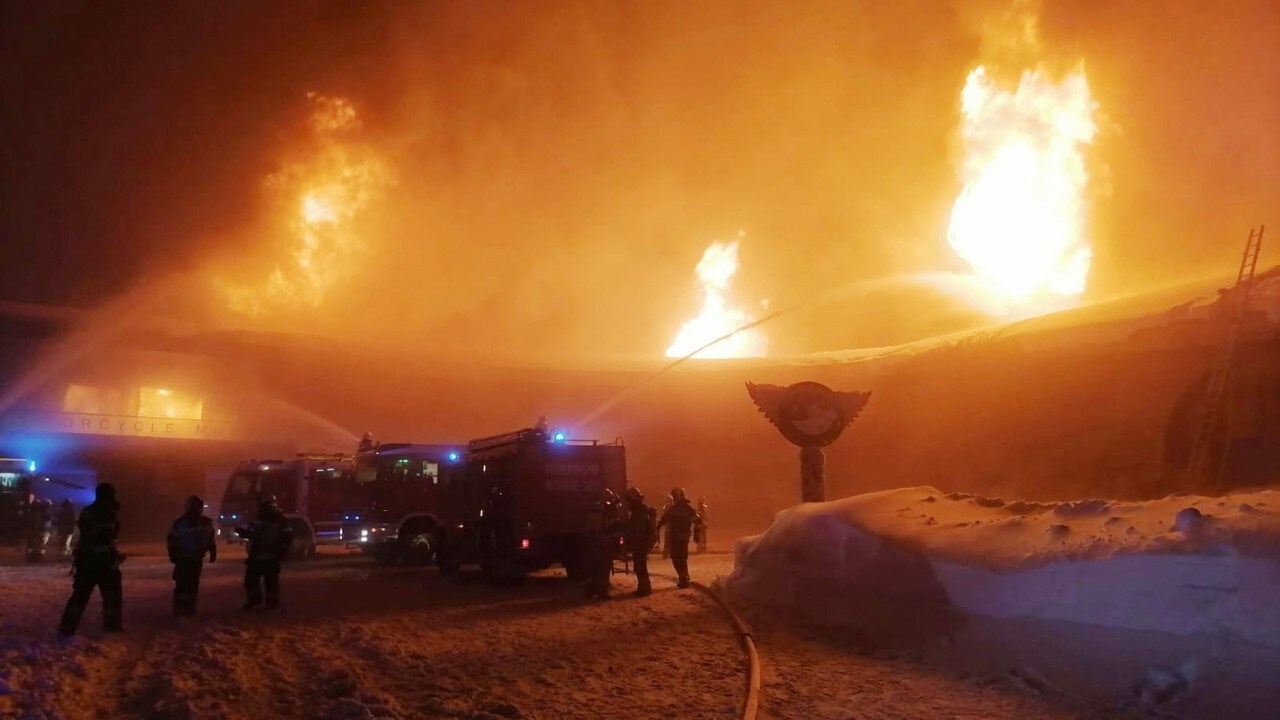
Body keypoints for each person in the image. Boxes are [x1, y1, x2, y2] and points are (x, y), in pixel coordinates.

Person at [58, 483, 123, 636]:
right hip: (103, 562)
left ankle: (68, 626)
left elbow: (88, 534)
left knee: (80, 595)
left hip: (86, 561)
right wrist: (112, 554)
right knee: (112, 595)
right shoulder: (107, 513)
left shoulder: (88, 511)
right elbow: (104, 537)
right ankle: (112, 627)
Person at [237, 496, 293, 610]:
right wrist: (284, 550)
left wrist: (242, 532)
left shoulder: (259, 519)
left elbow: (251, 534)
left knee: (251, 580)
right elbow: (288, 536)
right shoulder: (281, 519)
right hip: (273, 557)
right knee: (271, 581)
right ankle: (272, 603)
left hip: (257, 556)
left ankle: (254, 600)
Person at [166, 495, 217, 616]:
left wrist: (212, 550)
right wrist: (173, 553)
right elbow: (172, 539)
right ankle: (182, 608)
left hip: (191, 558)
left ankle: (187, 608)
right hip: (185, 558)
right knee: (184, 584)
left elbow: (209, 538)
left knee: (189, 584)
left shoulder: (202, 523)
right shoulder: (182, 523)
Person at [657, 487, 699, 588]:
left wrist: (656, 528)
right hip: (683, 538)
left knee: (677, 558)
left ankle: (683, 578)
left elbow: (663, 520)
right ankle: (684, 577)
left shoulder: (674, 509)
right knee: (682, 558)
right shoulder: (688, 509)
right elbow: (697, 521)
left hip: (676, 537)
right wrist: (696, 533)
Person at [583, 489, 621, 600]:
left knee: (592, 568)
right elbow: (612, 525)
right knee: (603, 568)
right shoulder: (608, 509)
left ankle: (589, 592)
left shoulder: (595, 508)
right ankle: (602, 592)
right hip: (604, 544)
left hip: (593, 542)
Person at [622, 487, 656, 597]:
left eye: (630, 500)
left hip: (641, 542)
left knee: (640, 566)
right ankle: (644, 588)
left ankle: (645, 589)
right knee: (640, 566)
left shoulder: (640, 512)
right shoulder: (641, 511)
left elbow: (637, 528)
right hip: (641, 542)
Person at [24, 497, 51, 562]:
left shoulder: (31, 513)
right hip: (40, 531)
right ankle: (38, 558)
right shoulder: (43, 513)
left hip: (35, 531)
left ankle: (33, 558)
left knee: (33, 545)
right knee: (39, 545)